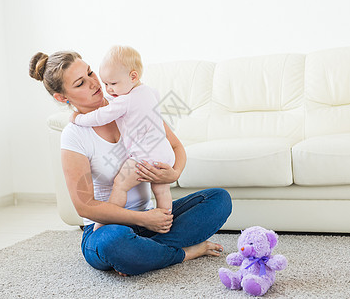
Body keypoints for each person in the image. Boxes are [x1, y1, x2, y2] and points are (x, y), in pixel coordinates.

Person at [29, 50, 232, 276]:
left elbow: (176, 147)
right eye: (80, 83)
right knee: (113, 243)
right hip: (108, 229)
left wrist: (173, 174)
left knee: (218, 199)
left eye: (90, 72)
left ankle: (143, 254)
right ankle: (185, 252)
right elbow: (84, 205)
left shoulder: (131, 103)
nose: (94, 83)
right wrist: (144, 218)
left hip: (153, 222)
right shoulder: (74, 135)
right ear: (62, 97)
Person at [70, 46, 175, 231]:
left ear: (133, 77)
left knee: (119, 185)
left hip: (144, 159)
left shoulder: (123, 101)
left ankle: (103, 224)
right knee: (162, 191)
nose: (108, 89)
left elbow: (100, 116)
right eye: (106, 84)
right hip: (164, 154)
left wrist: (78, 118)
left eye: (113, 84)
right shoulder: (150, 92)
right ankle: (166, 225)